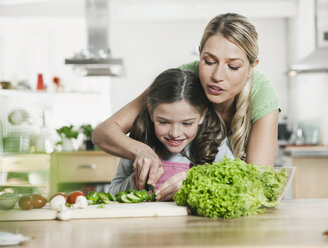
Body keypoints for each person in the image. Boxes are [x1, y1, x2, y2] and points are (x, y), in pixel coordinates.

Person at [93, 13, 279, 200]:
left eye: (233, 66)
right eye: (209, 61)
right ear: (199, 54)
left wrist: (197, 181)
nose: (217, 76)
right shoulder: (183, 81)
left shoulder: (261, 94)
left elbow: (258, 184)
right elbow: (103, 132)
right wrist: (142, 151)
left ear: (251, 67)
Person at [108, 68, 234, 200]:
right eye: (164, 122)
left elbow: (236, 186)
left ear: (202, 116)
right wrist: (135, 180)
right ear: (151, 113)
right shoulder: (138, 142)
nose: (175, 134)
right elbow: (112, 194)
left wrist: (195, 182)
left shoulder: (214, 142)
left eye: (187, 123)